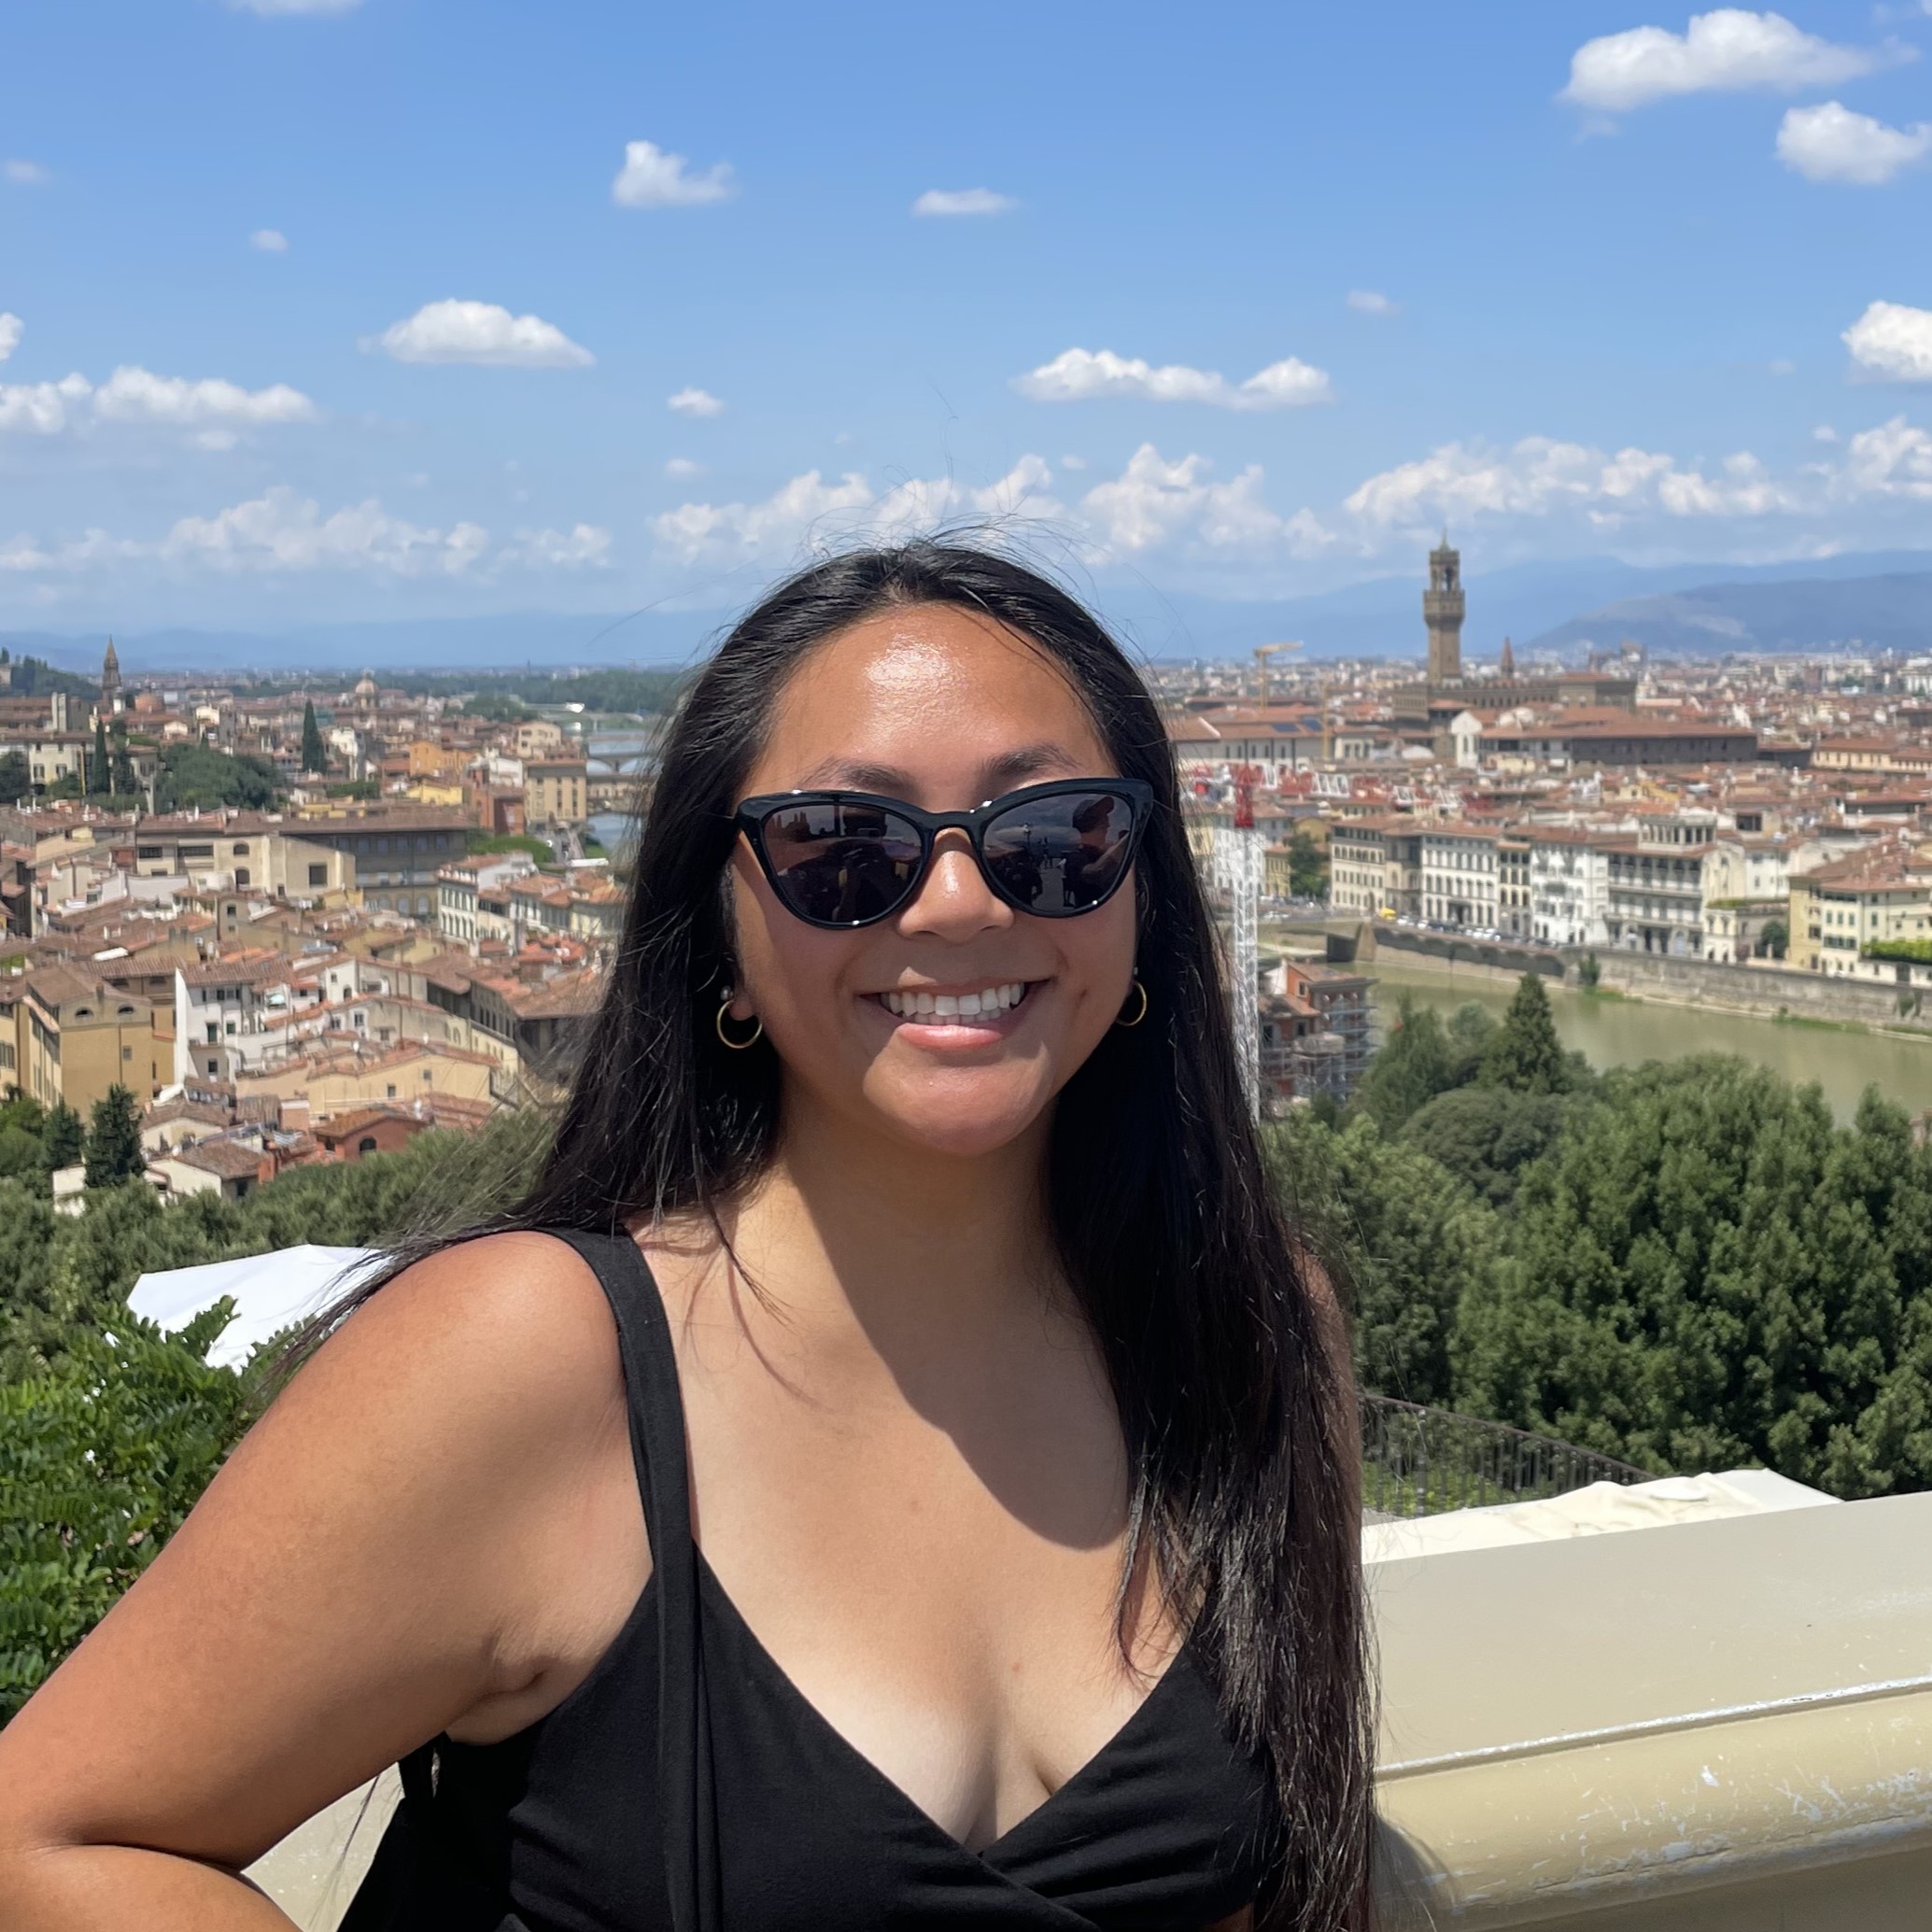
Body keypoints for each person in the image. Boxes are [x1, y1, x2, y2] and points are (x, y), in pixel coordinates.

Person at [0, 543, 1374, 1930]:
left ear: (1138, 888)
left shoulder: (1251, 1339)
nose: (961, 902)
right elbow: (44, 1836)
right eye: (844, 849)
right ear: (717, 919)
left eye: (1053, 838)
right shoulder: (531, 1359)